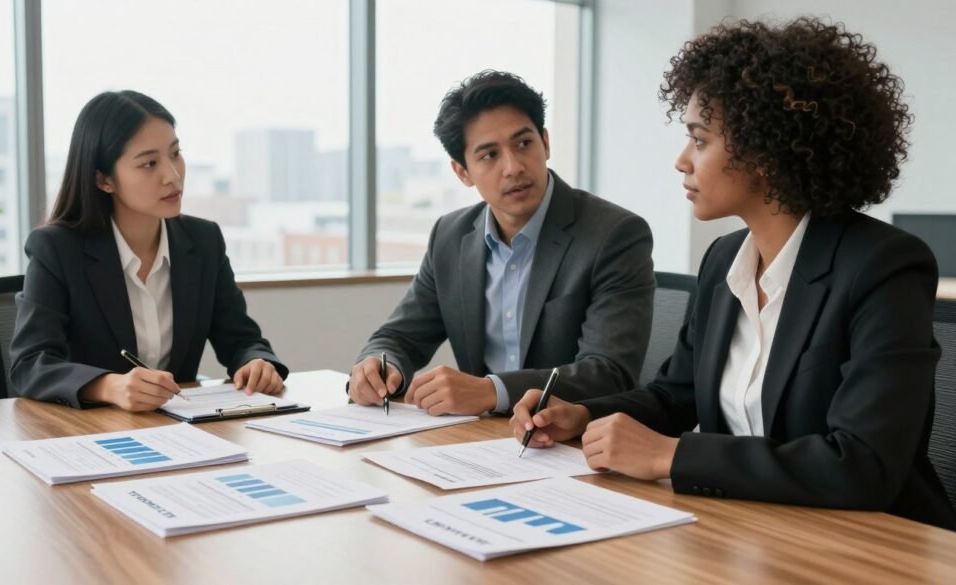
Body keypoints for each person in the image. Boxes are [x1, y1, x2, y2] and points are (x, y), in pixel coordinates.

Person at [511, 18, 956, 529]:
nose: (682, 161)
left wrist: (671, 457)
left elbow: (861, 465)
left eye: (699, 140)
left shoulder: (884, 267)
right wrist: (583, 413)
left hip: (872, 546)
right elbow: (673, 396)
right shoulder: (724, 259)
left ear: (764, 150)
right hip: (751, 529)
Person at [349, 70, 655, 416]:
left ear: (546, 143)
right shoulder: (450, 237)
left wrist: (491, 391)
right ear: (462, 172)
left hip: (572, 443)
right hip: (481, 441)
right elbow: (401, 337)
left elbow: (609, 372)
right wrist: (376, 364)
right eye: (489, 155)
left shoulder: (613, 234)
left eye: (524, 143)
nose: (513, 167)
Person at [10, 90, 288, 411]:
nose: (172, 175)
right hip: (88, 432)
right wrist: (109, 386)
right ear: (103, 180)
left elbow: (241, 339)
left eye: (175, 153)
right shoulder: (57, 248)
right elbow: (30, 363)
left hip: (179, 429)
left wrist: (256, 362)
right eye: (149, 163)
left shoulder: (203, 240)